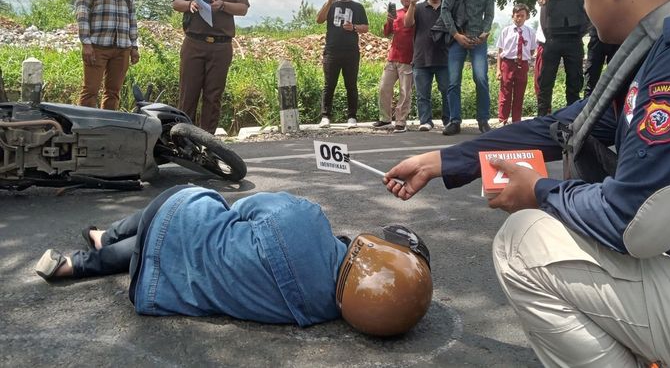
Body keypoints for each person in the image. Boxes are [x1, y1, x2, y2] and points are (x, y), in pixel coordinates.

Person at [383, 0, 670, 367]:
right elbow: (563, 126)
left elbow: (636, 224)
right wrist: (444, 161)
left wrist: (539, 191)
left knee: (523, 242)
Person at [35, 186, 432, 337]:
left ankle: (103, 239)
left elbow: (245, 206)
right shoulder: (316, 313)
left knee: (193, 206)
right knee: (179, 247)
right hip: (161, 286)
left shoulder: (306, 219)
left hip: (174, 224)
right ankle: (79, 262)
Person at [172, 0, 249, 134]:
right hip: (194, 42)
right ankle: (183, 139)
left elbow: (243, 8)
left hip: (221, 45)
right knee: (188, 94)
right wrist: (190, 4)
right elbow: (175, 2)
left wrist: (223, 5)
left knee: (213, 96)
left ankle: (207, 142)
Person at [441, 0, 497, 136]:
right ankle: (455, 121)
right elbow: (445, 10)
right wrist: (456, 35)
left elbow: (489, 13)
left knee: (481, 78)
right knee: (453, 80)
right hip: (457, 37)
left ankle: (483, 120)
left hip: (478, 40)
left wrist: (486, 31)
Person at [76, 0, 139, 110]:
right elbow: (82, 14)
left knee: (113, 91)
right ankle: (82, 128)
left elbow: (132, 19)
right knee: (90, 90)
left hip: (122, 48)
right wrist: (86, 44)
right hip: (97, 47)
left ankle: (108, 128)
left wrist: (134, 47)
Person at [536, 0, 589, 116]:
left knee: (574, 83)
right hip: (553, 42)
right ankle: (542, 117)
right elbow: (544, 18)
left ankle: (571, 118)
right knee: (546, 82)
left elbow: (590, 17)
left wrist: (580, 33)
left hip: (574, 42)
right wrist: (550, 37)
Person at [316, 0, 369, 128]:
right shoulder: (331, 5)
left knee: (351, 84)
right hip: (332, 50)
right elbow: (319, 20)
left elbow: (365, 28)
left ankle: (352, 117)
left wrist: (353, 27)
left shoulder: (358, 7)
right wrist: (328, 2)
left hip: (351, 51)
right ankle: (325, 116)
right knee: (329, 84)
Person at [404, 0, 449, 132]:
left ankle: (448, 121)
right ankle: (425, 121)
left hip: (444, 57)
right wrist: (412, 5)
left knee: (447, 91)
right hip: (421, 57)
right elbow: (407, 24)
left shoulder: (448, 8)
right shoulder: (419, 7)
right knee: (423, 94)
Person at [373, 0, 416, 133]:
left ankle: (400, 121)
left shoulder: (418, 12)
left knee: (405, 92)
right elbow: (386, 33)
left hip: (409, 59)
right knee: (384, 87)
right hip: (393, 58)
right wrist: (389, 20)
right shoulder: (396, 13)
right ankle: (385, 119)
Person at [495, 3, 535, 126]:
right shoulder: (506, 31)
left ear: (526, 17)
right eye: (517, 16)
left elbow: (532, 50)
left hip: (522, 65)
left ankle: (516, 122)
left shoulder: (530, 32)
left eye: (522, 16)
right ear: (513, 16)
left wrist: (524, 58)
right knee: (505, 93)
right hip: (507, 64)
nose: (519, 18)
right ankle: (503, 120)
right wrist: (498, 70)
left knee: (519, 94)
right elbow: (500, 51)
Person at [582, 26, 619, 97]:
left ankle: (613, 105)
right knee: (591, 75)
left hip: (617, 38)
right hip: (597, 36)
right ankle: (587, 104)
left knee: (615, 76)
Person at [533, 0, 550, 97]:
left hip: (547, 47)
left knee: (543, 80)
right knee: (537, 79)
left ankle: (545, 110)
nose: (541, 1)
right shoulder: (542, 11)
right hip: (540, 47)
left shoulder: (552, 12)